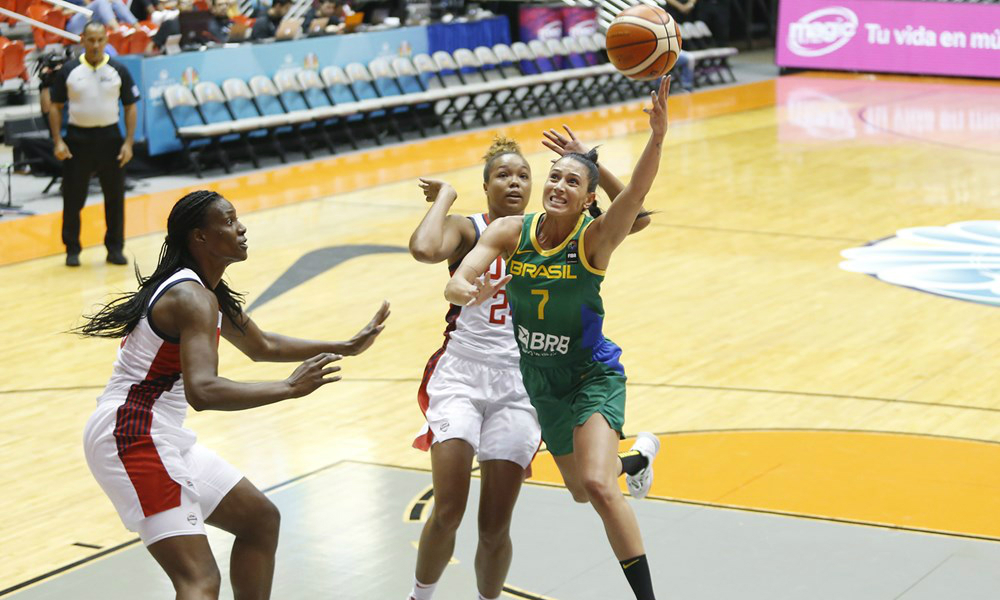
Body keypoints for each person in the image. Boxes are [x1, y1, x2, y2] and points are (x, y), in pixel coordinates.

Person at [78, 189, 390, 599]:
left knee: (259, 520)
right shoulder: (192, 297)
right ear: (199, 237)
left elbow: (264, 347)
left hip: (156, 431)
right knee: (199, 580)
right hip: (132, 434)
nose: (241, 227)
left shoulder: (207, 291)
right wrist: (289, 388)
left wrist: (344, 346)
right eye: (227, 220)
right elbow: (202, 391)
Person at [444, 76, 671, 600]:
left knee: (596, 486)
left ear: (588, 197)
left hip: (591, 374)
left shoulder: (593, 240)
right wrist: (464, 288)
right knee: (581, 489)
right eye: (556, 177)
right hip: (541, 382)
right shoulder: (510, 231)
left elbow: (636, 201)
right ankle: (634, 461)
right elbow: (462, 275)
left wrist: (655, 140)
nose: (559, 186)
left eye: (574, 182)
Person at [49, 21, 139, 267]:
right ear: (82, 39)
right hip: (78, 139)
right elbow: (55, 108)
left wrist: (129, 143)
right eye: (91, 40)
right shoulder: (69, 70)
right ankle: (72, 249)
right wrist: (58, 140)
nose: (96, 45)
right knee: (73, 197)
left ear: (107, 39)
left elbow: (131, 107)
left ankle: (115, 248)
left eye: (100, 40)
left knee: (115, 197)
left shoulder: (119, 70)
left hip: (110, 139)